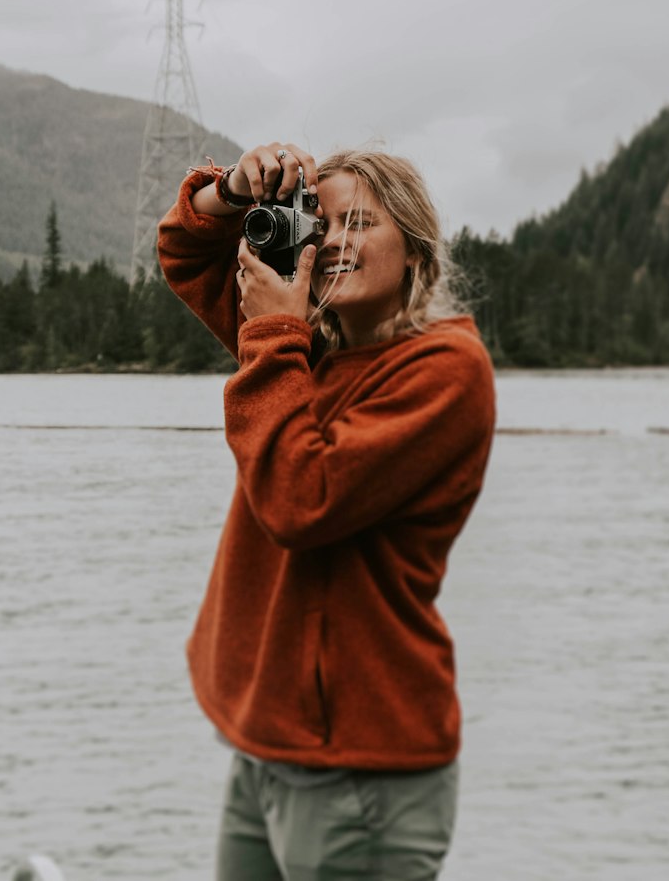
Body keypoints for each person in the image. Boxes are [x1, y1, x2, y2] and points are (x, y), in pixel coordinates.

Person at [157, 142, 497, 881]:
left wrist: (275, 331)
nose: (335, 240)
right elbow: (185, 253)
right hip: (270, 747)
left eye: (362, 222)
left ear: (414, 249)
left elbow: (298, 498)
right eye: (324, 221)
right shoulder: (310, 350)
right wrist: (232, 191)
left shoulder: (446, 370)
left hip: (362, 770)